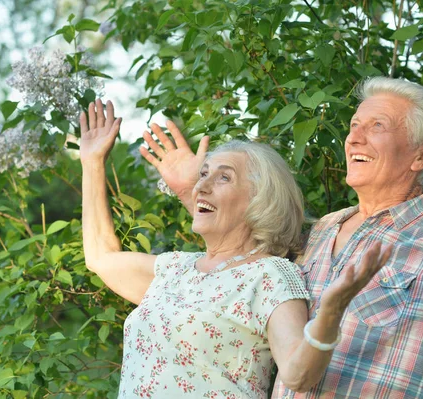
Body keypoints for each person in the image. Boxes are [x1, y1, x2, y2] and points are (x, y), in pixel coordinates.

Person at [141, 77, 423, 398]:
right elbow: (241, 252)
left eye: (377, 127)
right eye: (354, 126)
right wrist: (187, 190)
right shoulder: (321, 231)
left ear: (421, 157)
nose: (354, 138)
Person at [79, 99, 394, 398]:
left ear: (260, 200)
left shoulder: (269, 275)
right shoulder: (174, 269)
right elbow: (100, 258)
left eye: (223, 177)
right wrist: (92, 162)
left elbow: (299, 375)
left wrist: (331, 311)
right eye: (204, 174)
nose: (202, 185)